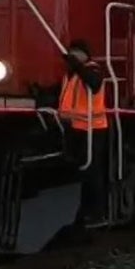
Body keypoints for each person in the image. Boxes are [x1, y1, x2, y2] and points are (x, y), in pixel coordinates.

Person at [57, 39, 109, 225]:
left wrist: (78, 66)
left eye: (75, 53)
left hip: (94, 128)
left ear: (83, 55)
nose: (71, 56)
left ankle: (98, 213)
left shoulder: (93, 69)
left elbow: (94, 84)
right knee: (81, 170)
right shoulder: (70, 75)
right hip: (76, 127)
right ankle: (83, 212)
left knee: (93, 171)